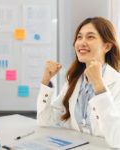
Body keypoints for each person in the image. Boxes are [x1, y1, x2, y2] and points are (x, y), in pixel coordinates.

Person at [37, 17, 120, 148]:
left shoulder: (117, 82)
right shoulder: (75, 80)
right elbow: (45, 120)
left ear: (107, 46)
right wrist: (46, 81)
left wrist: (99, 85)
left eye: (90, 37)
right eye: (79, 37)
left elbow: (117, 139)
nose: (81, 42)